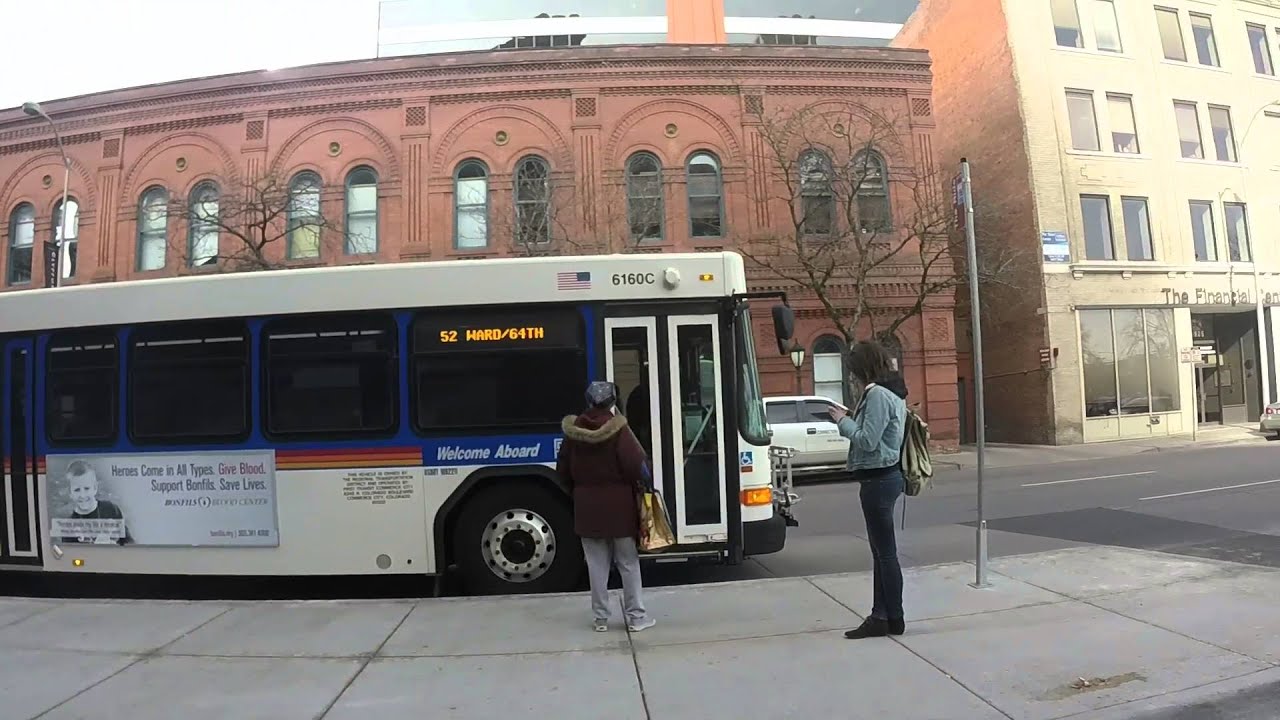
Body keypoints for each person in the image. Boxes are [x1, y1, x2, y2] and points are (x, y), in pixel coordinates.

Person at [557, 381, 656, 633]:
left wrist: (579, 492)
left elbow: (563, 472)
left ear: (588, 402)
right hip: (620, 507)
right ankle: (636, 617)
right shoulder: (619, 431)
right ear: (613, 403)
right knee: (628, 564)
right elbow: (638, 466)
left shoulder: (572, 433)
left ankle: (600, 619)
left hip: (586, 507)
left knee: (596, 565)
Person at [828, 341, 908, 639]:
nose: (851, 377)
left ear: (863, 367)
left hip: (878, 479)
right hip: (887, 477)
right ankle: (884, 616)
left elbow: (867, 440)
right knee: (882, 552)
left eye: (852, 371)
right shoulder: (893, 391)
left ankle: (889, 617)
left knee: (884, 553)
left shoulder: (875, 393)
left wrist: (842, 422)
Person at [59, 460, 131, 545]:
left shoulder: (111, 509)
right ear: (70, 493)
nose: (83, 495)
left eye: (87, 488)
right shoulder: (69, 527)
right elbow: (71, 555)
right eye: (77, 490)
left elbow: (128, 542)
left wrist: (114, 546)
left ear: (95, 488)